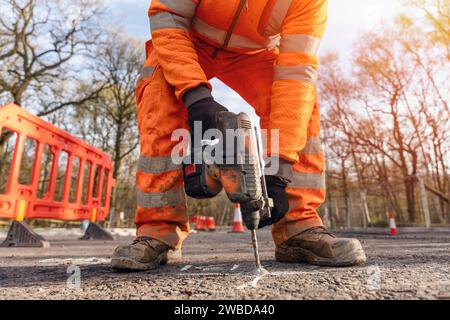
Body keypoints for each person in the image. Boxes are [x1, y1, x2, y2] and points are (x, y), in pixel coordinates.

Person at [111, 0, 366, 271]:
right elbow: (167, 16)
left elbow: (296, 71)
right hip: (188, 39)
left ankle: (298, 225)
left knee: (300, 106)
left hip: (256, 53)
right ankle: (158, 229)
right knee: (159, 94)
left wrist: (280, 164)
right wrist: (196, 96)